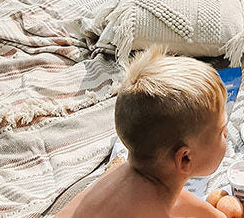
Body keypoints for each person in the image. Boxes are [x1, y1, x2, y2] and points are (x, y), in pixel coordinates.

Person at [58, 46, 227, 218]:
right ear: (185, 158)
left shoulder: (123, 173)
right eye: (222, 131)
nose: (227, 134)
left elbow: (177, 200)